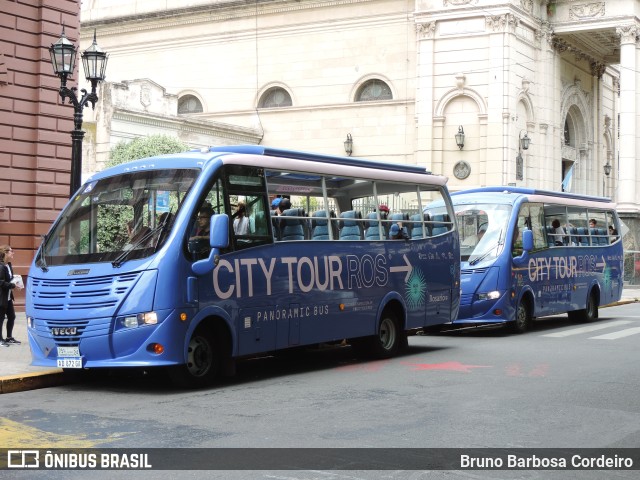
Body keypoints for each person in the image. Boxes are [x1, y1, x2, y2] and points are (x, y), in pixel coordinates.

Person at [0, 245, 22, 346]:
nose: (13, 253)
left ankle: (9, 337)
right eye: (11, 251)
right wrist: (12, 285)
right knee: (0, 319)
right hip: (2, 297)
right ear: (5, 253)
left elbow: (9, 278)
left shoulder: (8, 265)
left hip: (8, 297)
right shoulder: (1, 266)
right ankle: (0, 340)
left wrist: (16, 280)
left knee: (12, 317)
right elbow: (1, 282)